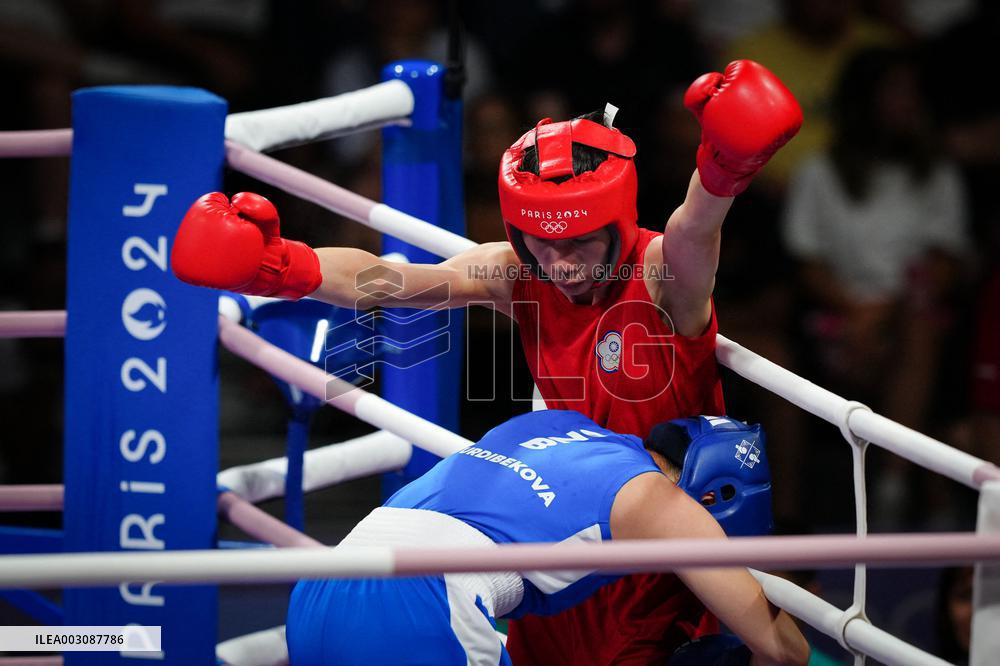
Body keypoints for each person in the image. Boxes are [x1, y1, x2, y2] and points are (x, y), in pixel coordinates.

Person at [171, 59, 802, 662]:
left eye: (580, 241)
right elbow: (388, 281)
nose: (561, 264)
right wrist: (283, 267)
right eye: (541, 243)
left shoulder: (662, 276)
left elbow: (695, 229)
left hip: (660, 529)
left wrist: (723, 167)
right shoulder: (515, 273)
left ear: (617, 221)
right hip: (560, 542)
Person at [284, 409, 809, 666]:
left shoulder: (552, 424)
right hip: (422, 603)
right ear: (715, 497)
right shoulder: (659, 500)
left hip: (324, 584)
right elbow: (785, 651)